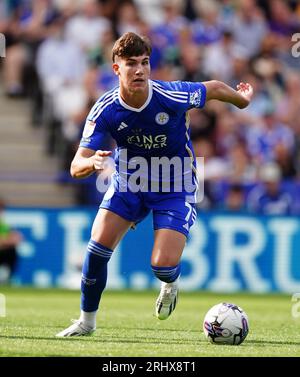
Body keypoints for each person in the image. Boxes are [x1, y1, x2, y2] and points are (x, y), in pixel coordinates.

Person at [56, 32, 253, 337]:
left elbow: (212, 88)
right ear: (116, 69)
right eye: (131, 63)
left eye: (145, 63)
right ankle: (86, 322)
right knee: (96, 249)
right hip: (129, 183)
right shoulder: (105, 109)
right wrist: (92, 163)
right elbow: (76, 164)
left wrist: (241, 100)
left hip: (175, 185)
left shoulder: (169, 95)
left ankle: (170, 282)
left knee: (161, 265)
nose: (139, 70)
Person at [0, 199, 22, 284]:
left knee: (12, 252)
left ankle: (8, 278)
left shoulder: (4, 225)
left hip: (3, 251)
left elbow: (17, 238)